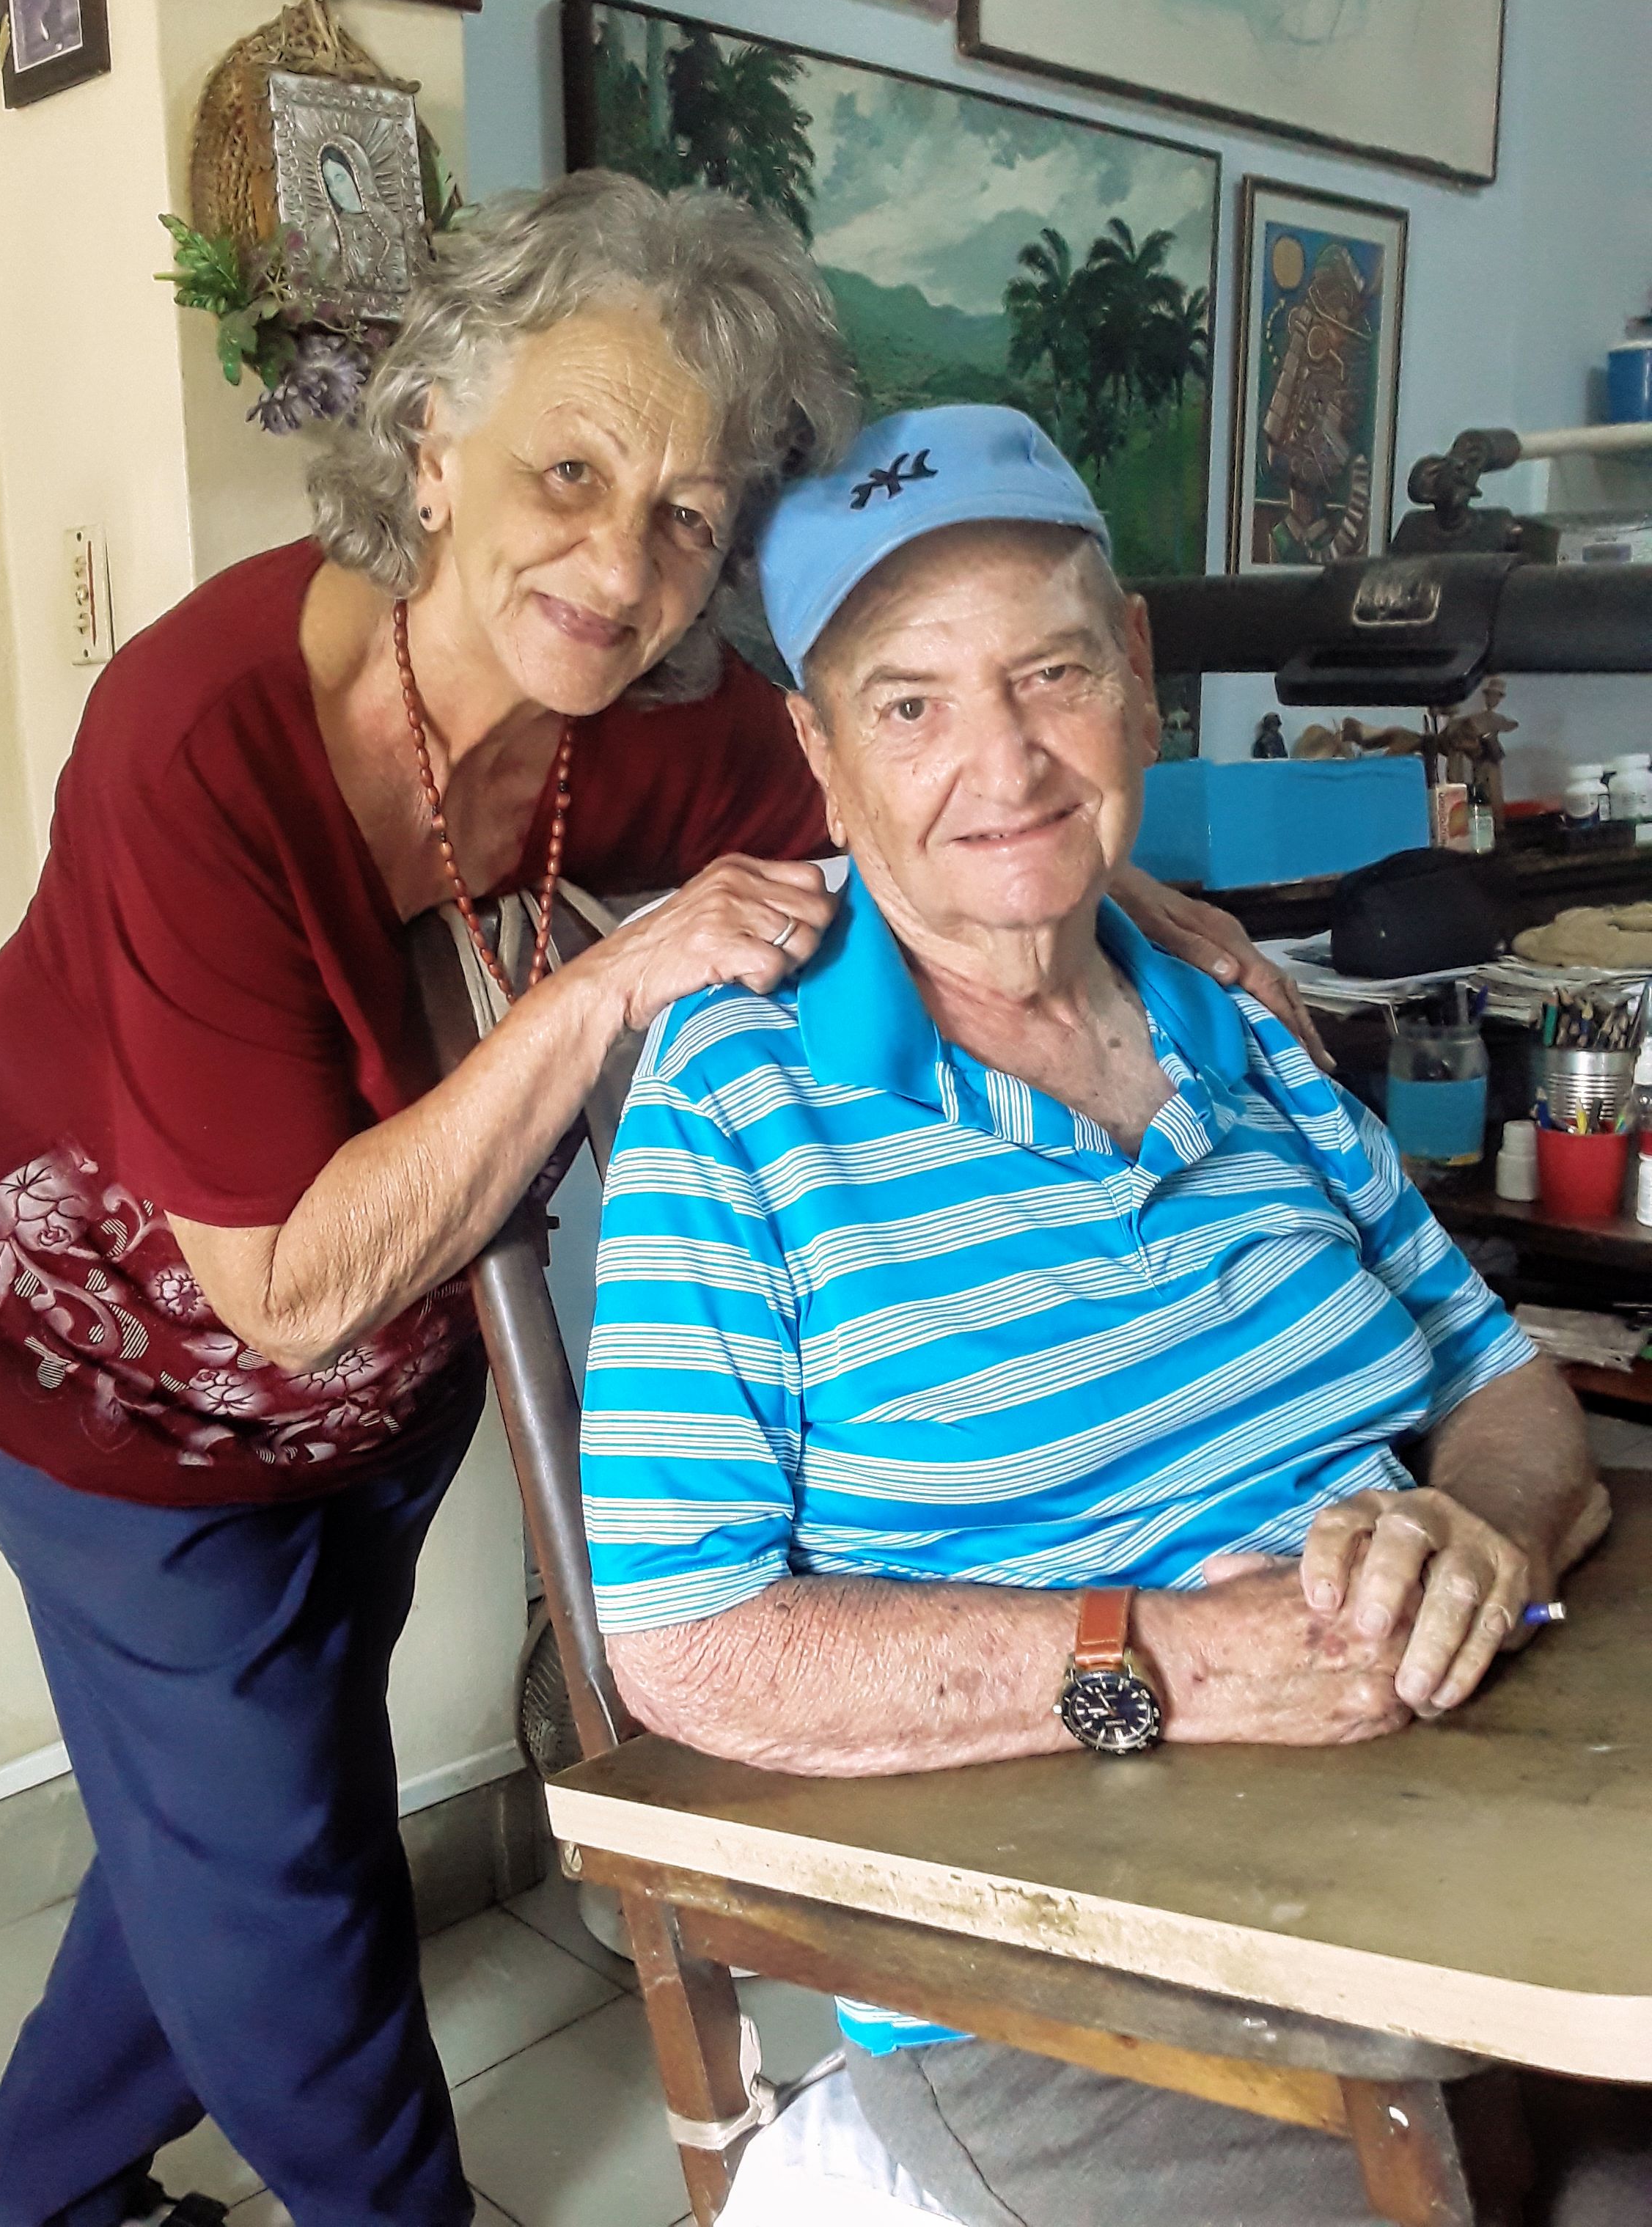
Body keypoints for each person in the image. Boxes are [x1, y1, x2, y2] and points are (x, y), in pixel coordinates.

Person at [0, 180, 1297, 2227]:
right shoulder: (195, 745)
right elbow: (281, 1281)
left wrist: (1128, 898)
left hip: (388, 1372)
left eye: (686, 519)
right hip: (108, 1362)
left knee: (216, 1826)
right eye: (570, 469)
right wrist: (609, 985)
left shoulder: (628, 722)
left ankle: (20, 2190)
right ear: (431, 446)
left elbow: (937, 798)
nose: (618, 560)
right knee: (279, 1854)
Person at [579, 404, 1612, 2227]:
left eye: (1048, 670)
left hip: (1476, 1829)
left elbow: (1511, 1382)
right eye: (908, 705)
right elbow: (687, 1642)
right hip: (1086, 1980)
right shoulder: (738, 1099)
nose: (1004, 763)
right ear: (819, 757)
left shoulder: (1237, 1020)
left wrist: (1478, 1525)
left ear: (1135, 675)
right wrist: (1189, 1666)